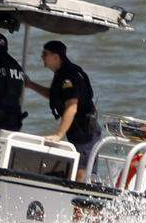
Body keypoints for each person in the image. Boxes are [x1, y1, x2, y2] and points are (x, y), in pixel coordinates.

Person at [25, 40, 101, 182]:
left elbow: (72, 106)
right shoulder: (62, 73)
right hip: (78, 129)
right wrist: (30, 85)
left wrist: (59, 134)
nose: (42, 57)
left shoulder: (68, 76)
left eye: (44, 54)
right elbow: (54, 95)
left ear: (56, 57)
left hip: (85, 130)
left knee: (82, 170)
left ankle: (80, 199)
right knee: (79, 167)